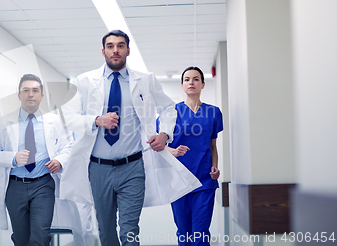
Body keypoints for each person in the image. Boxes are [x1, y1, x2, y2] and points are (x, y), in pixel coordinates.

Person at [61, 30, 201, 246]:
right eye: (110, 46)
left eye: (120, 45)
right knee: (106, 229)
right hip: (98, 169)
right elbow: (67, 116)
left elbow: (168, 108)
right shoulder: (85, 81)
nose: (115, 50)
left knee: (129, 230)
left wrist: (164, 134)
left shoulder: (145, 80)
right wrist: (97, 120)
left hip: (133, 167)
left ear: (128, 50)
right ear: (103, 51)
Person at [0, 74, 72, 245]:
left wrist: (59, 160)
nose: (31, 94)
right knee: (21, 238)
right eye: (26, 90)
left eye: (35, 90)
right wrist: (13, 158)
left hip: (43, 185)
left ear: (41, 96)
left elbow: (68, 146)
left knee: (40, 235)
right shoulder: (3, 122)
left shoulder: (54, 121)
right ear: (19, 95)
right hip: (15, 187)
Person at [158, 66, 223, 246]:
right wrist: (173, 151)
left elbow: (212, 145)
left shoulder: (213, 112)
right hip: (178, 180)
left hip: (204, 180)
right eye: (187, 79)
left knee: (200, 234)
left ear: (203, 84)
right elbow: (158, 145)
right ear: (182, 85)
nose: (191, 82)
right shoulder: (171, 112)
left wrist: (215, 167)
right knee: (184, 234)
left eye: (195, 79)